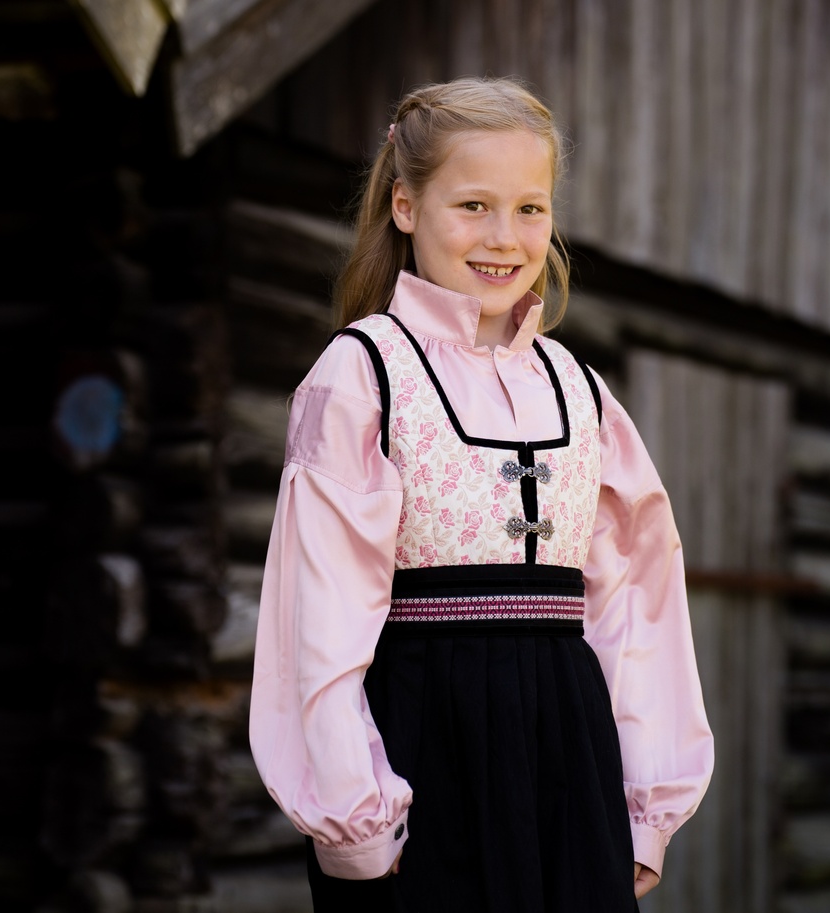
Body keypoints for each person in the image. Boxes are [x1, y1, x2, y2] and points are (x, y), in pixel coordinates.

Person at [249, 76, 713, 913]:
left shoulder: (579, 389)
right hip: (423, 755)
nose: (504, 237)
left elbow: (636, 605)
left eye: (530, 209)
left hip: (570, 758)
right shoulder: (364, 374)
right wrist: (359, 821)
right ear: (404, 206)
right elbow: (319, 621)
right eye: (473, 205)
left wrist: (645, 809)